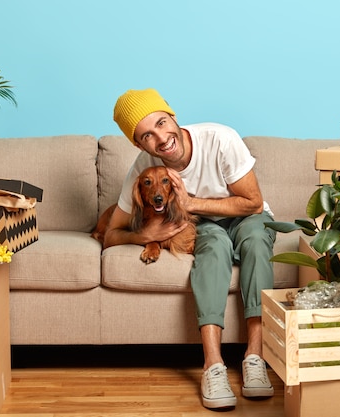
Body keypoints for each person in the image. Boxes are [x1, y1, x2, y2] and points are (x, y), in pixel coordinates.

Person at [106, 88, 276, 410]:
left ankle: (255, 358)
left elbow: (252, 202)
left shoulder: (220, 139)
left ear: (172, 116)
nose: (160, 138)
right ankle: (213, 366)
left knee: (255, 242)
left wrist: (190, 202)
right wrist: (145, 237)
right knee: (213, 249)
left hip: (247, 216)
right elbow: (112, 233)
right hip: (203, 224)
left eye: (161, 123)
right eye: (147, 136)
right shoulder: (144, 165)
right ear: (139, 144)